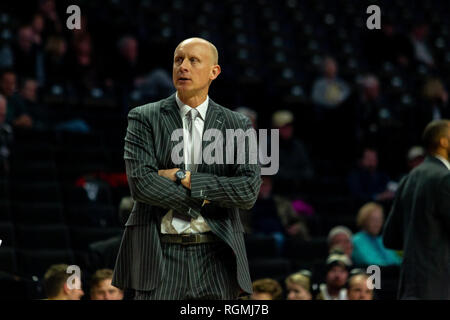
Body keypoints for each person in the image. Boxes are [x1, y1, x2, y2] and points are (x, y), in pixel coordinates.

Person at [112, 37, 262, 300]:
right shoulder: (143, 116)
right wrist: (206, 197)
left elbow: (247, 191)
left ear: (214, 71)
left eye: (194, 60)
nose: (183, 67)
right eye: (178, 60)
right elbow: (142, 184)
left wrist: (185, 177)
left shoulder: (237, 124)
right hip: (159, 254)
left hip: (217, 255)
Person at [383, 119, 450, 299]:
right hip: (439, 288)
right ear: (444, 141)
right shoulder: (444, 178)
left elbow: (390, 238)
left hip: (410, 288)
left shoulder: (408, 179)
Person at [352, 202, 401, 267]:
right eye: (373, 220)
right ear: (364, 220)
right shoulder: (357, 240)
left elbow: (395, 260)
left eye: (380, 219)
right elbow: (372, 263)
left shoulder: (381, 239)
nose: (377, 224)